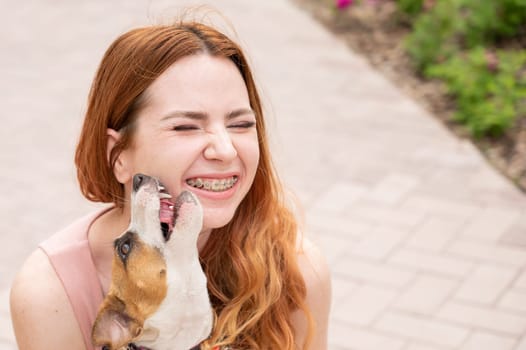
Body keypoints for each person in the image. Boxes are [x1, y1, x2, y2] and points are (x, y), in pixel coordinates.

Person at [10, 17, 331, 350]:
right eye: (186, 127)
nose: (225, 149)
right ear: (119, 155)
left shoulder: (295, 271)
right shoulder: (51, 293)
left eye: (240, 124)